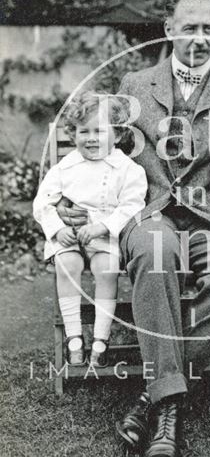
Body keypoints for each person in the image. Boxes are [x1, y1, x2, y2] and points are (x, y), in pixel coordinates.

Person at [56, 0, 210, 457]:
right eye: (190, 27)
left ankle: (154, 392)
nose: (200, 38)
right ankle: (169, 413)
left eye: (209, 28)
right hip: (149, 212)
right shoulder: (135, 82)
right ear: (169, 29)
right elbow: (107, 148)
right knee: (154, 247)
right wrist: (81, 199)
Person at [33, 91, 147, 367]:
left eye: (100, 131)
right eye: (84, 132)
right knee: (67, 264)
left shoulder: (127, 169)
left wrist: (101, 227)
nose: (92, 138)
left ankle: (100, 339)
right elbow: (42, 202)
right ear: (73, 135)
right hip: (68, 234)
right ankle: (74, 337)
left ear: (117, 135)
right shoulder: (66, 166)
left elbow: (132, 205)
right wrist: (58, 229)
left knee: (106, 268)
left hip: (103, 235)